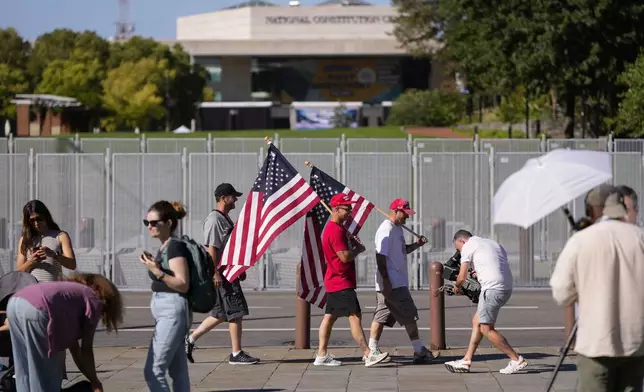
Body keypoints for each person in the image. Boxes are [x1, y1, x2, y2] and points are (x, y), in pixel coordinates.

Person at [550, 185, 644, 391]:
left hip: (596, 342)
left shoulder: (581, 240)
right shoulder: (640, 237)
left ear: (592, 210)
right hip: (635, 342)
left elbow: (562, 293)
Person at [7, 272, 123, 392]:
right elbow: (86, 349)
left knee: (24, 364)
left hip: (15, 302)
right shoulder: (93, 297)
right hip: (38, 307)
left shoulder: (69, 292)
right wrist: (95, 382)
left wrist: (93, 380)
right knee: (44, 372)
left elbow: (75, 351)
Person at [185, 183, 259, 365]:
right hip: (222, 275)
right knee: (236, 312)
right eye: (233, 196)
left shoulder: (224, 219)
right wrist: (215, 273)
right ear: (223, 198)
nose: (236, 200)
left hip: (228, 272)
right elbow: (212, 248)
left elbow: (229, 249)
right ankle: (236, 354)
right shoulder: (215, 220)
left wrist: (238, 269)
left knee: (220, 314)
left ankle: (190, 340)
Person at [313, 193, 389, 367]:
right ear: (336, 209)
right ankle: (368, 354)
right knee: (354, 316)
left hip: (335, 280)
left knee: (329, 318)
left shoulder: (336, 229)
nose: (350, 213)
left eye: (350, 209)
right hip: (340, 281)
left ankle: (321, 354)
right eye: (347, 209)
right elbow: (345, 257)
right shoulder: (335, 230)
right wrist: (358, 249)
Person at [444, 230, 528, 374]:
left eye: (458, 248)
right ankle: (466, 361)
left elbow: (462, 276)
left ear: (462, 241)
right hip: (505, 288)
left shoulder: (469, 246)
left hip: (492, 289)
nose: (459, 252)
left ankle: (516, 359)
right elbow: (495, 264)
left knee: (486, 329)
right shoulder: (492, 243)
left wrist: (457, 287)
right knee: (477, 321)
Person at [367, 198, 435, 364]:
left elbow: (402, 250)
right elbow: (380, 257)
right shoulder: (386, 229)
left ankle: (371, 350)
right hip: (393, 282)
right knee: (409, 315)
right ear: (395, 211)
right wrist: (386, 281)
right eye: (405, 213)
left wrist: (417, 245)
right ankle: (419, 351)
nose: (407, 217)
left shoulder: (397, 229)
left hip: (393, 281)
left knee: (381, 316)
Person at [141, 200, 193, 391]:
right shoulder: (165, 246)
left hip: (172, 311)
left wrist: (158, 272)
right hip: (168, 310)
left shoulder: (174, 247)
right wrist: (156, 266)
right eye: (146, 222)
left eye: (154, 223)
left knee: (153, 370)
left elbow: (183, 283)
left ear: (169, 222)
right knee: (178, 372)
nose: (149, 227)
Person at [16, 200, 77, 282]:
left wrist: (54, 255)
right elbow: (19, 272)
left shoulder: (61, 236)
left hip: (54, 290)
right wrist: (32, 261)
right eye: (32, 220)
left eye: (39, 219)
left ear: (46, 216)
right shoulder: (25, 240)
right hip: (32, 290)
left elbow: (72, 265)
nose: (36, 223)